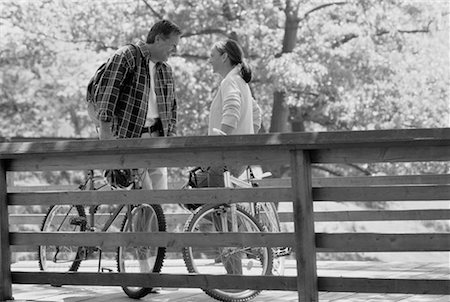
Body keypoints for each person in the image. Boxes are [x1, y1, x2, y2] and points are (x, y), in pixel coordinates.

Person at [96, 19, 182, 190]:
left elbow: (172, 108)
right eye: (172, 45)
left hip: (158, 140)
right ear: (158, 39)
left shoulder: (165, 69)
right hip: (131, 139)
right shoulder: (127, 56)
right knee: (145, 201)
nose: (175, 50)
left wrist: (170, 136)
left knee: (159, 201)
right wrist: (106, 137)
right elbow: (108, 94)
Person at [207, 39, 262, 186]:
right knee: (222, 203)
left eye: (212, 56)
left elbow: (231, 112)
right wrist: (246, 139)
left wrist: (220, 142)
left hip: (226, 155)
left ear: (224, 57)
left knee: (215, 202)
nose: (209, 60)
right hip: (241, 156)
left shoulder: (230, 81)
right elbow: (257, 115)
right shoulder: (240, 82)